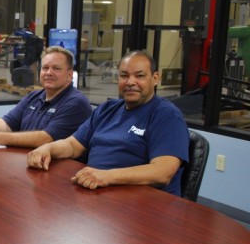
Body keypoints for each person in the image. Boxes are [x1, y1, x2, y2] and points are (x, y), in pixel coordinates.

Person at [27, 50, 189, 196]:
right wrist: (48, 148)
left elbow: (163, 172)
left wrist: (107, 176)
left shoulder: (167, 116)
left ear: (155, 78)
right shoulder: (107, 109)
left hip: (145, 205)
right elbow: (73, 145)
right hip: (99, 193)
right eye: (124, 76)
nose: (130, 82)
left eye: (139, 76)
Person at [0, 46, 92, 147]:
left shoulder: (76, 102)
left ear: (70, 75)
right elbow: (7, 123)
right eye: (45, 68)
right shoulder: (34, 96)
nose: (49, 73)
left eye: (56, 68)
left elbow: (46, 139)